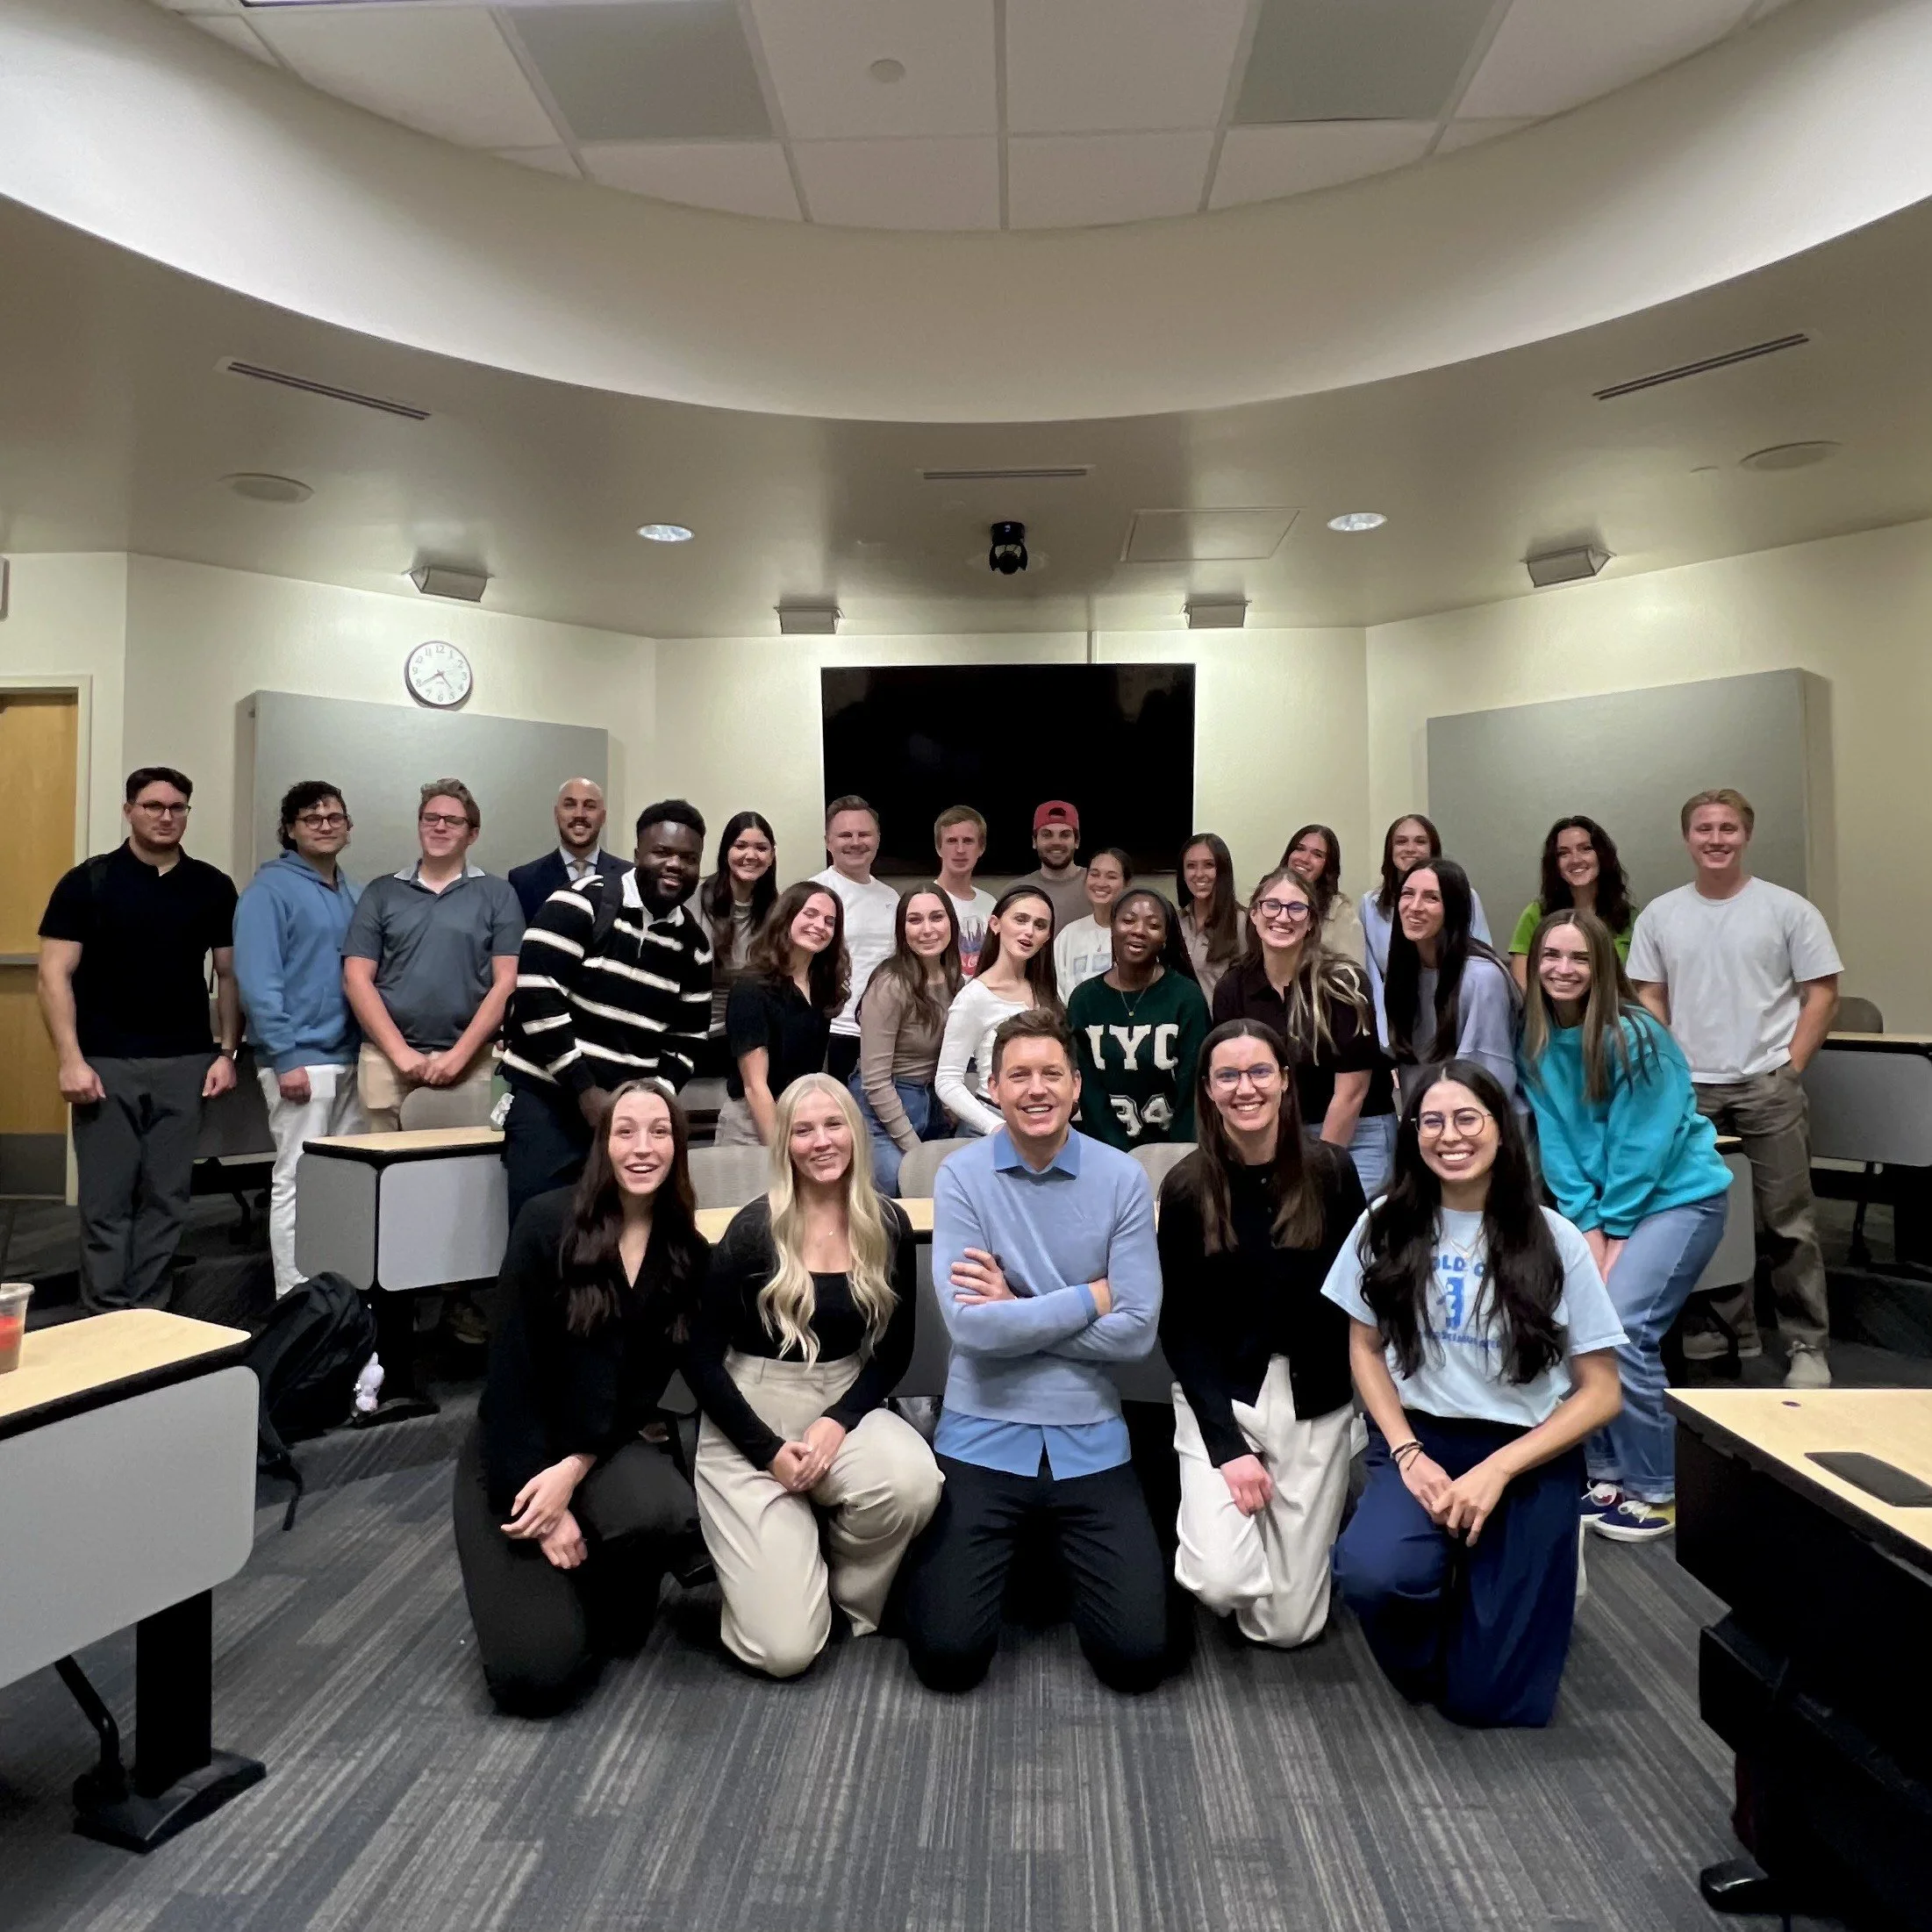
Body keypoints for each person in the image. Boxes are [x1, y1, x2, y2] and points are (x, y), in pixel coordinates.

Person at [1323, 1063, 1626, 1728]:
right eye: (1432, 1120)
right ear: (1413, 1133)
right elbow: (1364, 1350)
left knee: (1482, 1703)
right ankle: (1455, 1577)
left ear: (1501, 1131)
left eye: (1468, 1119)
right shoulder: (1384, 1223)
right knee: (1373, 1573)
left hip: (1526, 1453)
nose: (1449, 1135)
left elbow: (1602, 1393)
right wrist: (1404, 1452)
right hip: (1422, 1441)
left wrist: (1499, 1470)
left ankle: (1514, 1574)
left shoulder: (1556, 1238)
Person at [904, 1009, 1167, 1693]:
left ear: (1077, 1087)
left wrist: (1016, 1309)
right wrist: (1090, 1297)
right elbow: (971, 1329)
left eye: (1052, 1073)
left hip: (1092, 1439)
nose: (1036, 1088)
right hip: (979, 1436)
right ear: (992, 1087)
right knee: (946, 1661)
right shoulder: (961, 1178)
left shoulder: (1121, 1178)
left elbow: (1138, 1332)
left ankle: (1044, 1568)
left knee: (1137, 1661)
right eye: (1018, 1074)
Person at [452, 1083, 705, 1713]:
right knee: (535, 1681)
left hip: (592, 1450)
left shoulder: (686, 1256)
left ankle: (598, 1577)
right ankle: (561, 1576)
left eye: (659, 1131)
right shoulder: (546, 1223)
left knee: (661, 1512)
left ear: (678, 1146)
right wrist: (545, 1497)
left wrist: (574, 1472)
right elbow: (509, 1380)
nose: (642, 1148)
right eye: (626, 1132)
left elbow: (641, 1395)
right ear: (603, 1144)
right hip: (512, 1455)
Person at [687, 1076, 941, 1678]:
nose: (820, 1142)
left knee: (912, 1482)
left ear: (855, 1133)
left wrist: (838, 1421)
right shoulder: (752, 1232)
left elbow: (893, 1356)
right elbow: (698, 1359)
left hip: (840, 1395)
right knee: (786, 1652)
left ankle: (842, 1587)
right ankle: (777, 1569)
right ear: (785, 1145)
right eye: (803, 1130)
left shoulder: (886, 1223)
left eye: (834, 1126)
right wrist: (768, 1452)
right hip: (751, 1407)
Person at [1519, 911, 1730, 1541]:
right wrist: (1586, 1225)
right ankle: (1607, 1467)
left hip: (1676, 1199)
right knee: (1583, 1322)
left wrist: (1614, 1230)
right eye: (1551, 955)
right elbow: (1555, 1140)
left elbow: (1644, 1143)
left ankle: (1659, 1485)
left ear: (1602, 967)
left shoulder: (1635, 1034)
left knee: (1623, 1328)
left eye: (1579, 958)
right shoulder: (1531, 1038)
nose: (1563, 969)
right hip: (1602, 1208)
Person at [1158, 1020, 1366, 1646]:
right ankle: (1236, 1513)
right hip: (1226, 1395)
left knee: (1287, 1630)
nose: (1244, 1088)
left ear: (1283, 1082)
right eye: (1228, 1075)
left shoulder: (1331, 1172)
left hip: (1315, 1399)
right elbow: (1182, 1328)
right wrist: (1226, 1448)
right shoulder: (1188, 1188)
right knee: (1221, 1581)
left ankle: (1317, 1506)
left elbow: (1360, 1298)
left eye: (1258, 1072)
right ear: (1209, 1090)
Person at [1628, 788, 1842, 1389]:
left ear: (1746, 835)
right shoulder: (1662, 915)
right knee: (1701, 1217)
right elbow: (1649, 994)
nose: (1716, 839)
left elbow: (1823, 991)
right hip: (1691, 1090)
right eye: (1704, 829)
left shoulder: (1787, 910)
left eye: (1727, 828)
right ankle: (1720, 1330)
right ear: (1687, 838)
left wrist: (1791, 1066)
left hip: (1766, 1085)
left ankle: (1806, 1343)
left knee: (1787, 1220)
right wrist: (1671, 1069)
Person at [36, 766, 240, 1312]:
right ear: (129, 810)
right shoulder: (88, 883)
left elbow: (229, 976)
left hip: (186, 1062)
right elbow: (52, 974)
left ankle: (149, 1312)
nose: (166, 817)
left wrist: (227, 1053)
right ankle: (104, 1314)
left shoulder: (213, 887)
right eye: (153, 806)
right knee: (106, 1201)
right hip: (105, 1063)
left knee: (168, 1198)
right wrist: (70, 1060)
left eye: (177, 808)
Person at [499, 802, 713, 1222]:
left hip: (629, 1125)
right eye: (662, 853)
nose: (675, 866)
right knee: (541, 1236)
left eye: (689, 859)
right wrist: (585, 1090)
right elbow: (537, 998)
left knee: (618, 1244)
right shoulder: (579, 904)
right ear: (636, 855)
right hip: (551, 1106)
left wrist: (650, 1104)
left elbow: (687, 1041)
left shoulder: (695, 946)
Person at [233, 780, 368, 1296]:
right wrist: (284, 1055)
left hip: (353, 1058)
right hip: (300, 1062)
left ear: (348, 827)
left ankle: (338, 1289)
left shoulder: (355, 892)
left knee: (342, 1180)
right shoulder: (269, 891)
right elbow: (258, 979)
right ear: (289, 829)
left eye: (335, 816)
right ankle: (295, 1297)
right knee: (296, 1179)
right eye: (312, 818)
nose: (325, 825)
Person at [342, 779, 523, 1133]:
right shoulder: (381, 893)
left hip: (474, 1064)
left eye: (452, 821)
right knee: (385, 1178)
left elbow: (508, 981)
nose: (439, 826)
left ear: (472, 834)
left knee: (463, 1175)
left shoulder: (498, 895)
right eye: (430, 818)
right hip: (386, 1064)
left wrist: (459, 1056)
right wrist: (400, 1053)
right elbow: (356, 978)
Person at [1213, 867, 1394, 1199]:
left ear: (1311, 921)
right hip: (1279, 1135)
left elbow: (1351, 1093)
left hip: (1358, 1132)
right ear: (1254, 914)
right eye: (1272, 905)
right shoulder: (1233, 987)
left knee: (1345, 1234)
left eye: (1297, 908)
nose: (1283, 916)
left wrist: (1317, 1172)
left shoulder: (1343, 983)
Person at [1067, 889, 1208, 1151]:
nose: (1139, 930)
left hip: (1174, 1151)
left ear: (1165, 938)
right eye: (1128, 920)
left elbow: (1194, 1091)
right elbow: (1088, 1090)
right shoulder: (1084, 1000)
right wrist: (1115, 1153)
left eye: (1153, 925)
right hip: (1105, 1151)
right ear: (1112, 927)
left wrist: (1178, 1155)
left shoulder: (1187, 998)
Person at [718, 882, 847, 1146]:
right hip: (753, 1125)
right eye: (810, 914)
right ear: (787, 916)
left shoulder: (822, 988)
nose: (820, 925)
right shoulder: (751, 988)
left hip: (801, 1118)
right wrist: (782, 1152)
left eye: (829, 921)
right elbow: (755, 1088)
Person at [1385, 858, 1521, 1107]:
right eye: (1407, 894)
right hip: (1430, 1124)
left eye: (1431, 898)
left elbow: (1489, 1077)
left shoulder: (1481, 978)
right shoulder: (1405, 973)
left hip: (1477, 1127)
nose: (1414, 906)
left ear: (1453, 909)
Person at [854, 886, 962, 1194]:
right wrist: (915, 1150)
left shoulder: (955, 978)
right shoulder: (891, 983)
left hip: (931, 1105)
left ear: (951, 924)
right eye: (915, 920)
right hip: (881, 1111)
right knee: (901, 1191)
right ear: (903, 930)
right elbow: (875, 1082)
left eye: (936, 917)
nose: (927, 929)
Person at [934, 885, 1059, 1137]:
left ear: (1047, 937)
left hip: (1043, 1123)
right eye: (1020, 920)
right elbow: (947, 1080)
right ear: (995, 924)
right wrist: (994, 1126)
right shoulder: (974, 997)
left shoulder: (1047, 993)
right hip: (991, 1123)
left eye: (1040, 925)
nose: (1029, 931)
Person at [1361, 815, 1492, 1044]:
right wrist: (1386, 1040)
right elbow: (1374, 980)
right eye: (1401, 842)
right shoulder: (1370, 904)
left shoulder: (1465, 897)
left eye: (1420, 841)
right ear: (1389, 851)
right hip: (1403, 1020)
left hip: (1457, 1016)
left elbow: (1482, 961)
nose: (1410, 849)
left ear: (1433, 849)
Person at [812, 795, 902, 1085]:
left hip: (885, 1031)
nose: (855, 842)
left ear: (877, 839)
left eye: (864, 834)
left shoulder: (892, 898)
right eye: (845, 835)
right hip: (833, 1031)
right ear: (828, 842)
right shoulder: (816, 893)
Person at [1508, 816, 1636, 991]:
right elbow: (1523, 990)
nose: (1575, 859)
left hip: (1615, 1015)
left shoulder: (1631, 918)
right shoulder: (1536, 913)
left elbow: (1637, 990)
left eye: (1585, 849)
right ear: (1555, 863)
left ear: (1602, 855)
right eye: (1563, 853)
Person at [694, 812, 776, 1078]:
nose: (750, 855)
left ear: (772, 855)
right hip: (693, 1037)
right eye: (740, 846)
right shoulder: (694, 899)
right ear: (725, 851)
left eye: (761, 848)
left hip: (749, 1043)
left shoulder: (779, 911)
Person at [506, 778, 631, 924]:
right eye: (570, 805)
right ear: (556, 814)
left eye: (590, 806)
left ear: (603, 817)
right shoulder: (523, 881)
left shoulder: (628, 877)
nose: (579, 814)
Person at [1281, 822, 1366, 966]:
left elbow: (1353, 976)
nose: (1304, 859)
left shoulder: (1340, 912)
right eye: (1300, 849)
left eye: (1317, 854)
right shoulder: (1267, 901)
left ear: (1328, 866)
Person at [1053, 847, 1131, 998]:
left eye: (1111, 877)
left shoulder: (1135, 934)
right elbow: (1056, 990)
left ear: (1126, 884)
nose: (1101, 883)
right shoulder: (1069, 934)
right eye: (1094, 874)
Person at [1177, 833, 1243, 1005]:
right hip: (1179, 1026)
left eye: (1209, 865)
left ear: (1222, 870)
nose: (1199, 874)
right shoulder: (1176, 921)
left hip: (1221, 1027)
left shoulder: (1242, 922)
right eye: (1191, 866)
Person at [934, 805, 998, 976]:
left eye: (968, 841)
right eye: (952, 841)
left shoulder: (991, 904)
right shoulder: (924, 901)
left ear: (981, 848)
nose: (960, 850)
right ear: (939, 847)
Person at [1012, 800, 1089, 933]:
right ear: (1034, 842)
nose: (1056, 842)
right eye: (1047, 835)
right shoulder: (1016, 891)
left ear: (1077, 841)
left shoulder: (1097, 886)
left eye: (1065, 835)